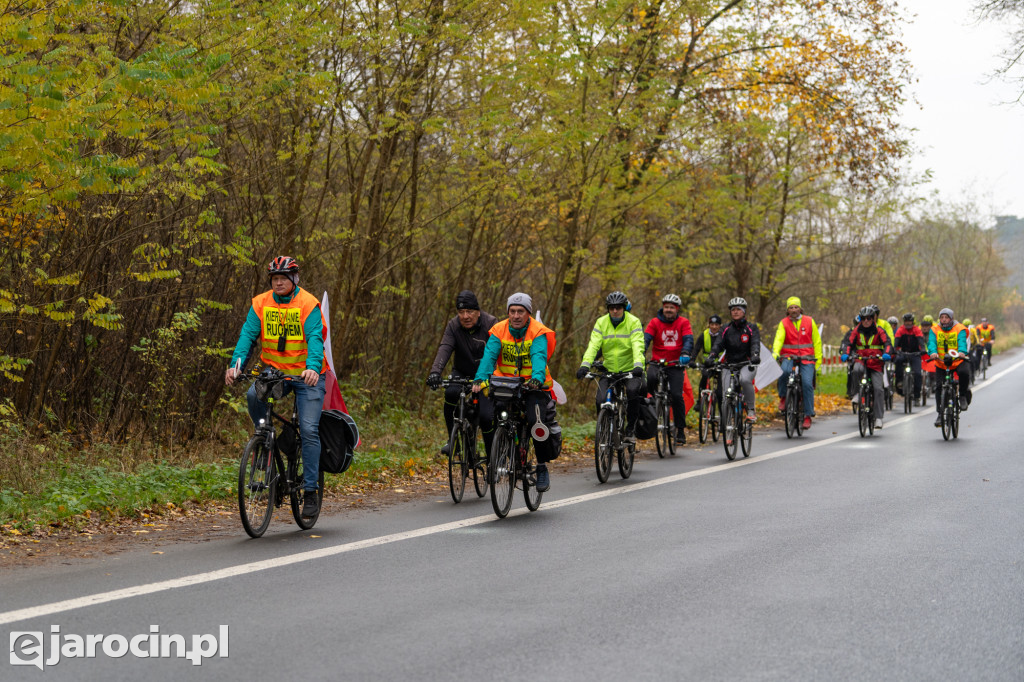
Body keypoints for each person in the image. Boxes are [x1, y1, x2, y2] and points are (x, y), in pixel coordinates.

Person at [226, 256, 328, 520]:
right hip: (276, 372)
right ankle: (264, 441)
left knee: (308, 429)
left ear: (294, 279)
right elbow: (247, 336)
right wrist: (235, 366)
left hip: (307, 375)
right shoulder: (261, 303)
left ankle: (310, 492)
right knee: (253, 396)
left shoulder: (308, 303)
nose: (278, 282)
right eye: (274, 278)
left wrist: (313, 368)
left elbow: (316, 338)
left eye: (283, 278)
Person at [473, 293, 561, 492]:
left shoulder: (537, 332)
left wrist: (537, 378)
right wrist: (480, 378)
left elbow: (539, 356)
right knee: (498, 416)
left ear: (528, 313)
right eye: (512, 311)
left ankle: (541, 467)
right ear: (508, 313)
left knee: (534, 422)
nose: (516, 315)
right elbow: (489, 357)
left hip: (534, 387)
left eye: (520, 311)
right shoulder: (499, 330)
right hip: (506, 385)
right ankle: (503, 451)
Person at [426, 290, 498, 458]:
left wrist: (487, 377)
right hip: (462, 372)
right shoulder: (453, 325)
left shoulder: (491, 323)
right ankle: (454, 441)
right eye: (461, 312)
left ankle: (492, 458)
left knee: (486, 417)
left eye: (469, 312)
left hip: (486, 375)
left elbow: (495, 353)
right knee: (450, 393)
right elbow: (445, 348)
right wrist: (435, 372)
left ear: (478, 312)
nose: (465, 316)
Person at [578, 291, 646, 443]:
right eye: (611, 308)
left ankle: (630, 429)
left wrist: (638, 366)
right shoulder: (601, 322)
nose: (615, 311)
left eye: (618, 308)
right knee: (600, 400)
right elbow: (593, 345)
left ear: (624, 308)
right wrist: (585, 365)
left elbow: (638, 346)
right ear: (608, 308)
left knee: (633, 391)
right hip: (609, 370)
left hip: (630, 369)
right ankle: (606, 426)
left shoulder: (633, 322)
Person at [643, 293, 694, 443]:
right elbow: (646, 339)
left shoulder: (684, 322)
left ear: (677, 309)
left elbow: (688, 340)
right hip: (657, 362)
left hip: (675, 364)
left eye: (672, 307)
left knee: (677, 395)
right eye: (666, 307)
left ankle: (679, 429)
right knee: (650, 380)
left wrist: (685, 353)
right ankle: (653, 406)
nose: (669, 310)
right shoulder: (654, 322)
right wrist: (641, 352)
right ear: (662, 308)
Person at [706, 297, 760, 423]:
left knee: (744, 380)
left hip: (746, 363)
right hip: (729, 364)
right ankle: (727, 420)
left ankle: (751, 410)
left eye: (738, 309)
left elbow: (755, 343)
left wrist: (755, 355)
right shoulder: (725, 328)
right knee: (726, 393)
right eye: (733, 310)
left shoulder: (751, 327)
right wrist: (712, 356)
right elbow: (718, 344)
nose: (735, 312)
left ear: (744, 312)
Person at [771, 296, 821, 430]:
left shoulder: (810, 321)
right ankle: (783, 397)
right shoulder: (783, 323)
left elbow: (817, 342)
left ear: (800, 308)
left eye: (796, 307)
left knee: (806, 383)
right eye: (791, 307)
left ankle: (807, 415)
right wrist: (775, 353)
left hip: (807, 358)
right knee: (784, 372)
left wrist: (818, 363)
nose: (794, 310)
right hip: (788, 356)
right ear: (787, 310)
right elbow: (778, 339)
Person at [840, 306, 893, 429]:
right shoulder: (856, 330)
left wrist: (886, 353)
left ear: (873, 319)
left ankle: (879, 418)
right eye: (863, 319)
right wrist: (845, 353)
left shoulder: (880, 330)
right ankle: (858, 393)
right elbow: (848, 342)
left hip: (876, 362)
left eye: (869, 318)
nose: (866, 321)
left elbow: (888, 343)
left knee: (878, 389)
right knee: (856, 370)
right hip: (861, 360)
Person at [927, 308, 972, 427]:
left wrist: (962, 352)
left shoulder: (959, 328)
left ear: (951, 318)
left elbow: (962, 341)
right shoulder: (934, 329)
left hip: (957, 360)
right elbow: (932, 342)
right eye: (942, 317)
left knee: (964, 373)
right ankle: (940, 414)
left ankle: (962, 395)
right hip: (941, 362)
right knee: (938, 387)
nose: (944, 320)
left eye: (946, 317)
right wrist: (932, 352)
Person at [893, 312, 924, 404]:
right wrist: (894, 349)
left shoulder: (916, 330)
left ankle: (917, 395)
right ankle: (899, 381)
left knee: (918, 374)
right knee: (898, 361)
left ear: (912, 322)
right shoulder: (901, 330)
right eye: (906, 321)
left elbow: (921, 341)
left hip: (915, 354)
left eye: (909, 321)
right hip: (903, 353)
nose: (907, 323)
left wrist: (922, 349)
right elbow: (896, 342)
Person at [695, 314, 723, 397]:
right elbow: (696, 349)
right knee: (704, 379)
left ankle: (721, 406)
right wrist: (691, 360)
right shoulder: (704, 335)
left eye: (716, 325)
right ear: (709, 325)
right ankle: (700, 400)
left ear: (720, 326)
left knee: (720, 391)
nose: (714, 327)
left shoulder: (724, 335)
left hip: (721, 365)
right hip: (707, 364)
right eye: (712, 324)